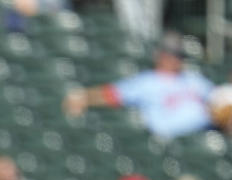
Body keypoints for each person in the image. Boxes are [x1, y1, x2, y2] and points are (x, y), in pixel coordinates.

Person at [63, 32, 213, 138]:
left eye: (179, 56)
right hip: (170, 142)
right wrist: (84, 97)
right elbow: (113, 94)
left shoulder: (193, 79)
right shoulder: (148, 81)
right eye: (172, 54)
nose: (175, 60)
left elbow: (219, 97)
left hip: (206, 134)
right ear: (160, 55)